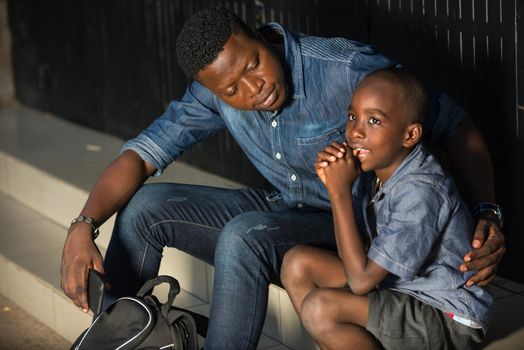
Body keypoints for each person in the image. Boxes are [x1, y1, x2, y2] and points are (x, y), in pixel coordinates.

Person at [60, 6, 503, 349]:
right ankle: (117, 336)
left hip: (357, 228)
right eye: (231, 90)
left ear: (260, 35)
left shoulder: (344, 68)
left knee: (244, 235)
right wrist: (83, 227)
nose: (253, 89)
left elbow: (453, 126)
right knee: (145, 209)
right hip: (286, 211)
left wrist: (487, 211)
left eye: (253, 64)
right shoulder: (213, 92)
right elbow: (140, 156)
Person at [280, 68, 493, 350]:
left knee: (320, 308)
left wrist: (338, 191)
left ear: (410, 135)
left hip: (446, 317)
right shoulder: (383, 168)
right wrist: (337, 179)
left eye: (374, 120)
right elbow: (367, 263)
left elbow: (361, 282)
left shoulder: (421, 191)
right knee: (297, 264)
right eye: (353, 116)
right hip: (404, 290)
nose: (355, 131)